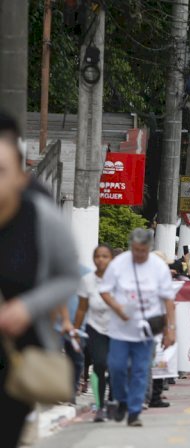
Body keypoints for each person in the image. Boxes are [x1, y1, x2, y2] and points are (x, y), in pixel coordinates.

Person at [0, 112, 81, 447]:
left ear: (19, 175)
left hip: (17, 360)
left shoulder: (40, 217)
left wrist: (27, 307)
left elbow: (69, 275)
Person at [99, 228, 176, 427]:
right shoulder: (118, 264)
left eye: (143, 250)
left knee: (141, 370)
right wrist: (118, 308)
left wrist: (170, 329)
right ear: (130, 247)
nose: (139, 254)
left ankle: (134, 412)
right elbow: (105, 291)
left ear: (149, 248)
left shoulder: (158, 267)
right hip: (121, 328)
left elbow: (168, 300)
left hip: (147, 329)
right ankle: (122, 400)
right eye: (135, 250)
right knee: (117, 368)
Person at [74, 245, 116, 422]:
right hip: (95, 328)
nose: (101, 259)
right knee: (99, 363)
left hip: (117, 329)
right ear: (93, 259)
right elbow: (82, 308)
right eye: (98, 256)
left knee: (115, 366)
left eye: (105, 256)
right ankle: (100, 407)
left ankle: (113, 401)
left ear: (111, 259)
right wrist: (76, 330)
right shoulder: (87, 281)